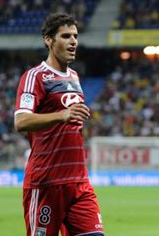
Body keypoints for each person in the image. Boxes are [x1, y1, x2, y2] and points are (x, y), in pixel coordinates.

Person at [14, 13, 104, 236]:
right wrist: (62, 115)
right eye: (65, 36)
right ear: (48, 39)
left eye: (75, 36)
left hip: (79, 182)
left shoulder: (74, 77)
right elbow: (21, 121)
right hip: (46, 183)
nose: (73, 41)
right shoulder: (34, 77)